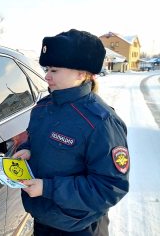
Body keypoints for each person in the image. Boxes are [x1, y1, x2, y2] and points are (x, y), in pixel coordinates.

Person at [13, 29, 129, 236]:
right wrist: (28, 150)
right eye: (47, 68)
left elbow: (110, 187)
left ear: (81, 73)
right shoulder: (43, 107)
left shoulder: (101, 122)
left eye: (54, 70)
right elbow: (38, 140)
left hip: (79, 227)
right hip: (43, 218)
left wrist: (48, 188)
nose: (46, 76)